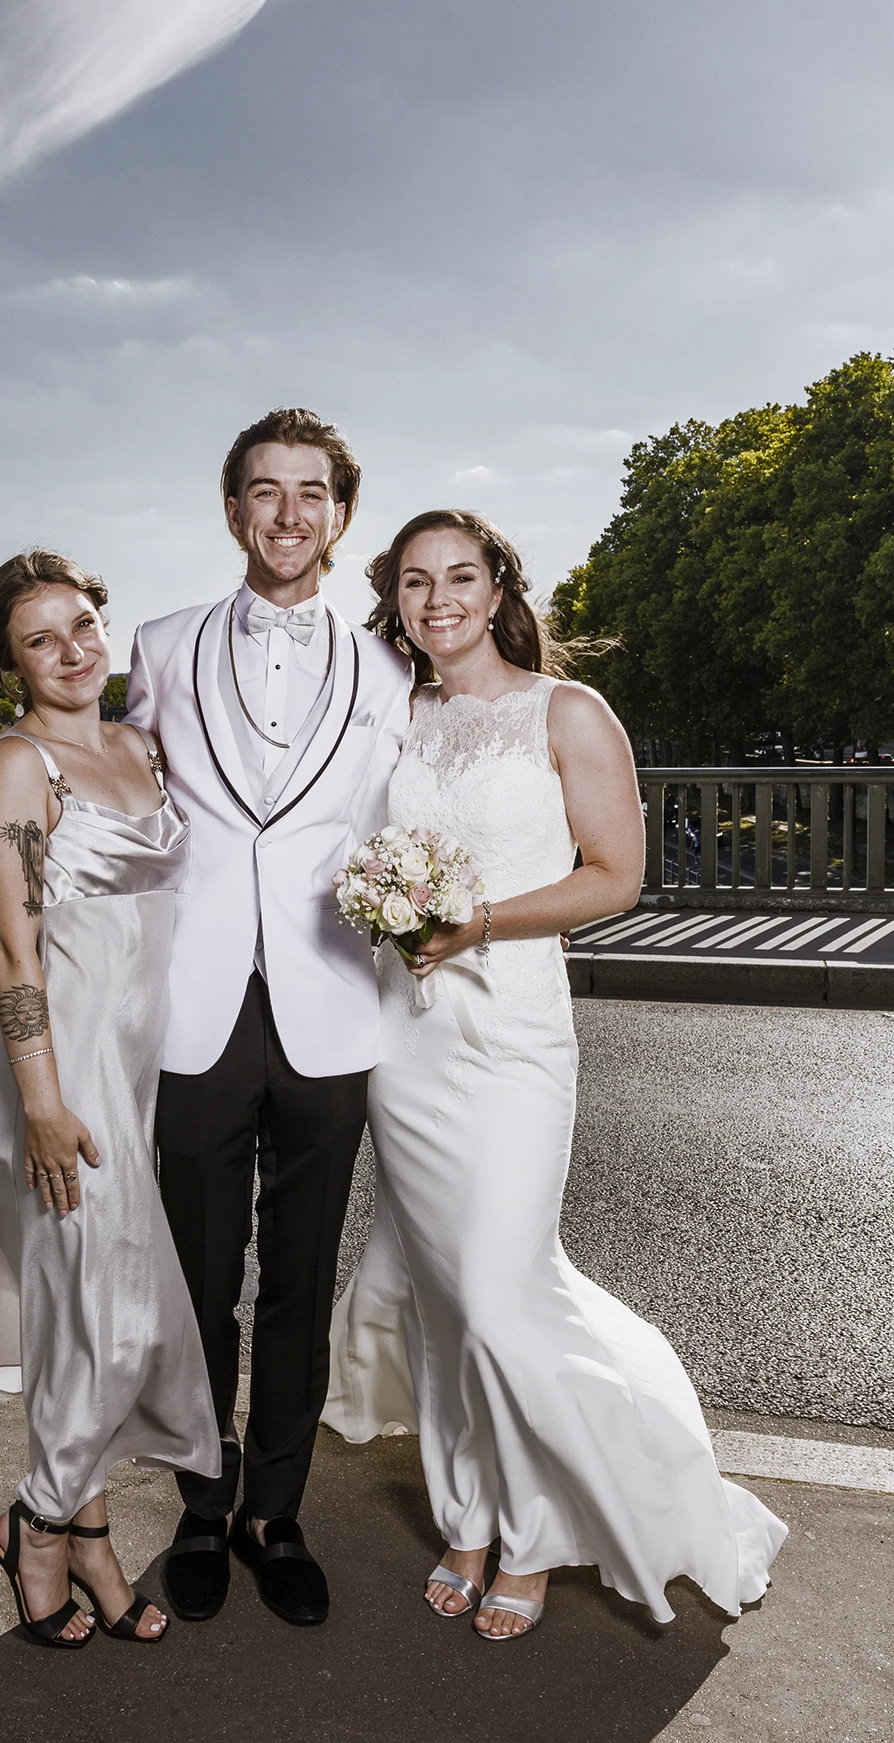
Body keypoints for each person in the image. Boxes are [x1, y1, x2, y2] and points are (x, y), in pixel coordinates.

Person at [322, 511, 787, 1640]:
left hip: (515, 1039)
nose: (438, 599)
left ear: (497, 591)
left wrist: (477, 921)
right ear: (394, 598)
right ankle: (469, 1516)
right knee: (446, 1306)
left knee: (497, 1292)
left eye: (460, 578)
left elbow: (616, 875)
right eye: (415, 581)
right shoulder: (390, 717)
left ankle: (538, 1528)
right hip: (408, 1041)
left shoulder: (567, 711)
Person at [125, 408, 413, 1626]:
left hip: (333, 1002)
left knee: (301, 1274)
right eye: (263, 491)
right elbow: (113, 804)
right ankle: (199, 1502)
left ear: (340, 515)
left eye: (311, 493)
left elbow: (407, 820)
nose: (288, 513)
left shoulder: (393, 670)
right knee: (199, 1276)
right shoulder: (157, 644)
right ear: (231, 509)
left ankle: (272, 1511)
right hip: (192, 1007)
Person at [0, 550, 219, 1649]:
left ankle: (79, 1539)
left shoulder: (142, 746)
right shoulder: (14, 767)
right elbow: (11, 947)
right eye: (42, 639)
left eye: (82, 626)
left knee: (96, 1312)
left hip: (149, 1066)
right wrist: (41, 1100)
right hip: (71, 1073)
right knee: (104, 1309)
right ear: (9, 662)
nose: (73, 651)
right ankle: (40, 1525)